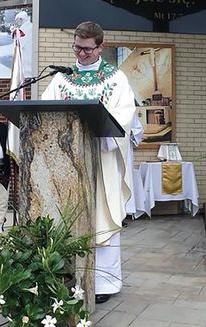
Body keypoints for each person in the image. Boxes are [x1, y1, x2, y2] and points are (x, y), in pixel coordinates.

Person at [41, 21, 136, 304]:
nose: (80, 54)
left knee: (99, 215)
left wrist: (104, 133)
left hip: (101, 159)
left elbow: (125, 114)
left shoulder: (115, 79)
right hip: (67, 162)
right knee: (66, 216)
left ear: (100, 47)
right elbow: (47, 109)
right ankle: (66, 276)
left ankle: (103, 282)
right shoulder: (62, 79)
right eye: (77, 48)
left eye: (86, 49)